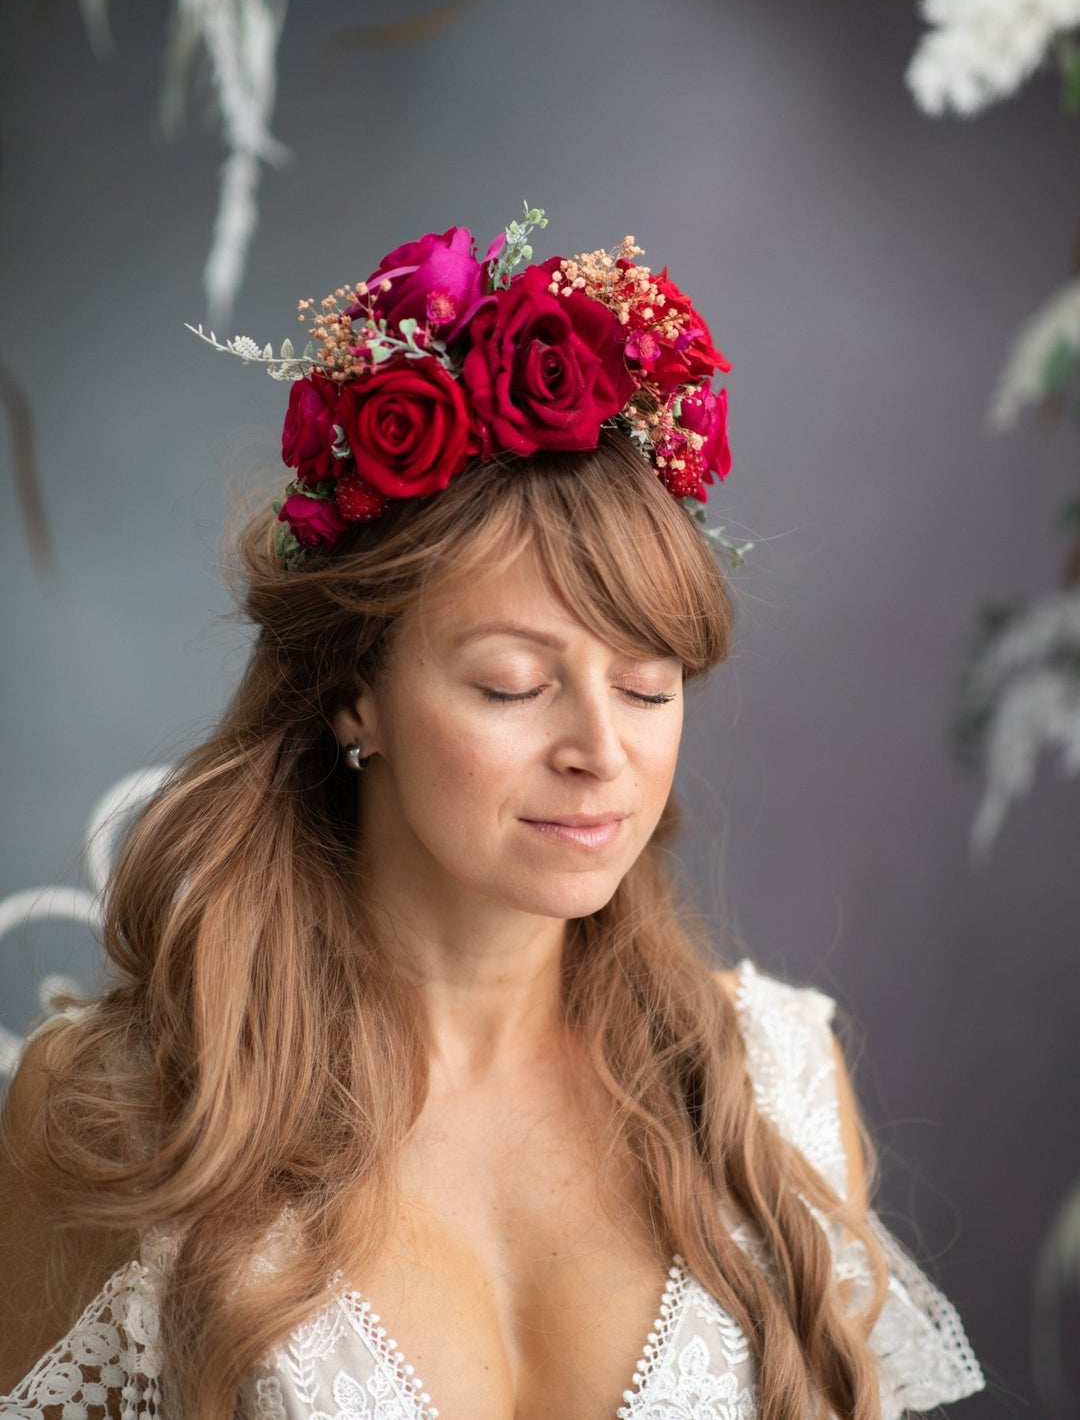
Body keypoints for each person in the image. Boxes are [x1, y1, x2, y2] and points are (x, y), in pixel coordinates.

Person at [0, 216, 984, 1419]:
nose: (601, 753)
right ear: (354, 690)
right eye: (514, 684)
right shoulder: (125, 1104)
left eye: (647, 686)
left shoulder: (772, 1085)